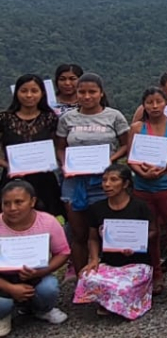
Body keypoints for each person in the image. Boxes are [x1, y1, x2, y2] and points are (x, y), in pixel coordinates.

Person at [56, 73, 130, 277]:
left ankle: (111, 278)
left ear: (101, 93)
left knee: (106, 232)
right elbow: (60, 147)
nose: (87, 96)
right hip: (75, 182)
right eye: (82, 92)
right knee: (79, 234)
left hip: (105, 181)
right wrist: (64, 164)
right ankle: (82, 280)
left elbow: (127, 144)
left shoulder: (114, 116)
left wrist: (111, 159)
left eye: (92, 92)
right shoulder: (67, 118)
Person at [128, 87, 167, 295]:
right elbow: (131, 158)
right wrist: (141, 172)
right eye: (149, 102)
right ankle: (156, 276)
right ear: (143, 105)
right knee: (150, 233)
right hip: (143, 187)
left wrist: (164, 167)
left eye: (158, 102)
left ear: (165, 103)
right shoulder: (137, 128)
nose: (154, 106)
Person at [73, 164, 156, 320]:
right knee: (87, 277)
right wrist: (94, 259)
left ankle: (114, 302)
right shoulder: (97, 208)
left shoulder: (139, 206)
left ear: (125, 184)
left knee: (123, 287)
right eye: (104, 180)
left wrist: (137, 244)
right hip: (110, 263)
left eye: (113, 180)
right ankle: (109, 301)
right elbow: (92, 238)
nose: (107, 184)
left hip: (136, 263)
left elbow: (153, 231)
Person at [0, 180, 70, 335]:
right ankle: (3, 315)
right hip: (2, 279)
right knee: (2, 304)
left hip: (36, 274)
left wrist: (41, 272)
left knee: (48, 288)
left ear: (32, 201)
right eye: (6, 203)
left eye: (19, 202)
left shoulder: (48, 222)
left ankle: (41, 309)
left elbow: (63, 252)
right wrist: (10, 288)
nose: (12, 208)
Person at [0, 75, 63, 216]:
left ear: (42, 93)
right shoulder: (4, 118)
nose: (29, 95)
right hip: (12, 178)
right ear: (16, 93)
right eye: (24, 91)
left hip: (44, 179)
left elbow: (59, 146)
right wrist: (7, 165)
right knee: (12, 217)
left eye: (34, 91)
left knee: (46, 218)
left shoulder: (50, 118)